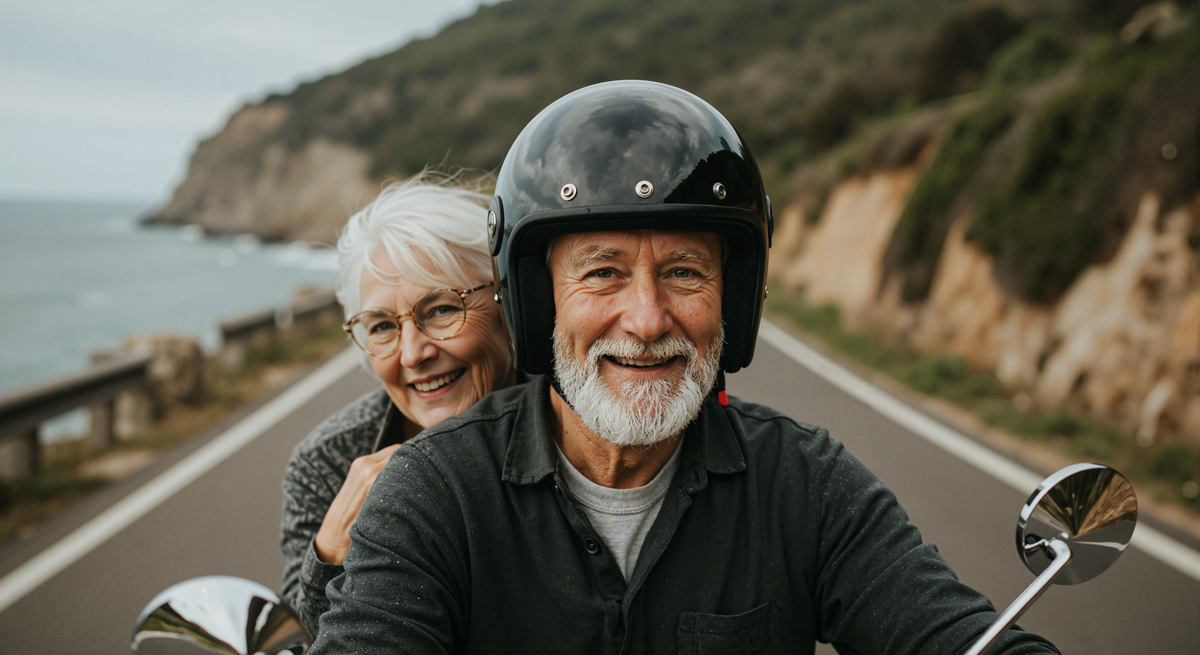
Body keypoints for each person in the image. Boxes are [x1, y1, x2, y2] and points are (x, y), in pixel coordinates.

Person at [309, 81, 1058, 653]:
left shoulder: (804, 482)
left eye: (684, 273)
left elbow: (955, 633)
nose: (647, 320)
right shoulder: (433, 492)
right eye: (602, 273)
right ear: (537, 304)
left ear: (735, 296)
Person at [280, 172, 516, 637]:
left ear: (507, 300)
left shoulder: (582, 424)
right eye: (383, 326)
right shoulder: (326, 462)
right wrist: (330, 549)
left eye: (443, 309)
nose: (412, 354)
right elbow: (300, 640)